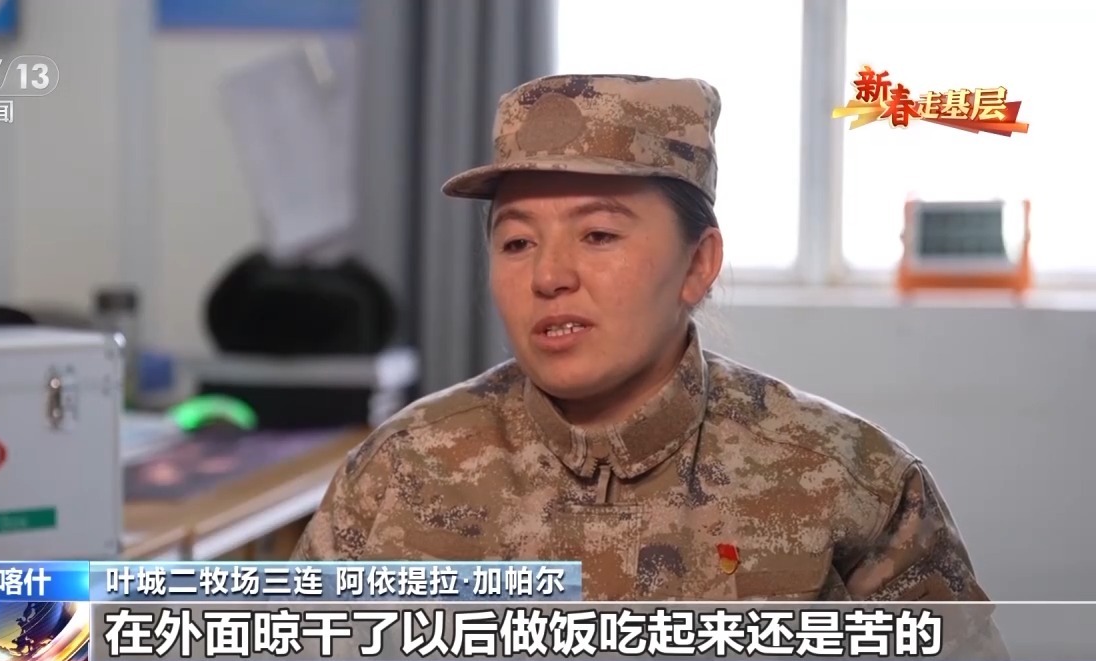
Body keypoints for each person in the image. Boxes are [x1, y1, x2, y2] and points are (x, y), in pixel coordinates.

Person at [293, 74, 997, 615]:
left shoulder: (853, 482)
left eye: (598, 234)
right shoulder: (402, 470)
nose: (549, 276)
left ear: (698, 262)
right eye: (517, 242)